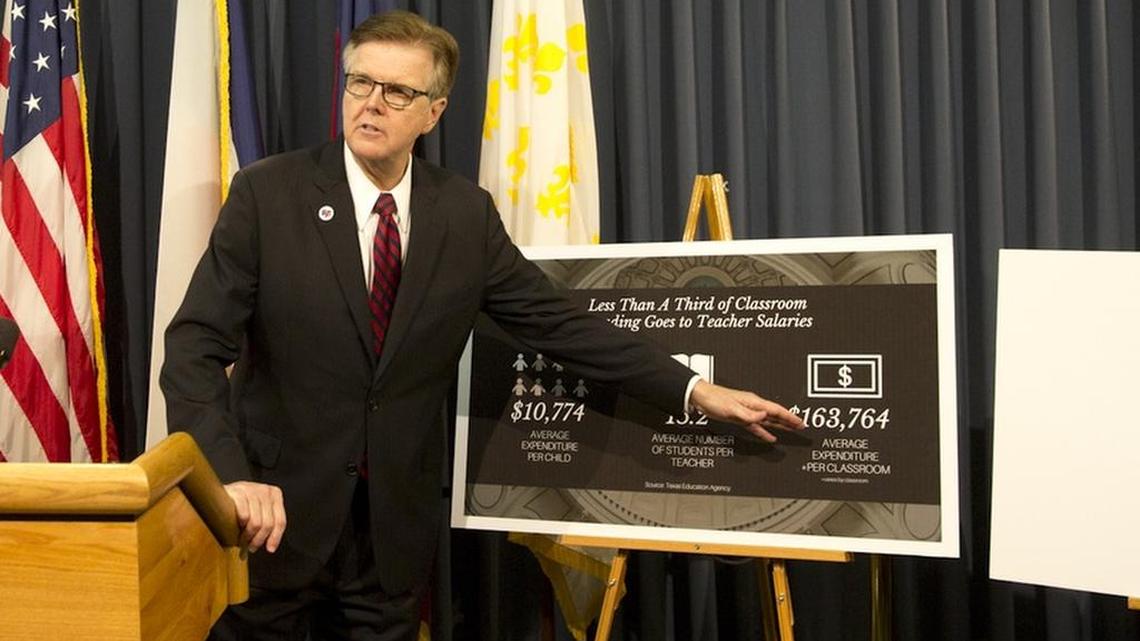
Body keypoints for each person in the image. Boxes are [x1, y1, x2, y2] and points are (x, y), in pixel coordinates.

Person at [161, 10, 803, 641]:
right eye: (359, 83)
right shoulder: (267, 194)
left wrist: (695, 389)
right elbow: (193, 346)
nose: (372, 104)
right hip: (270, 519)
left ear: (434, 112)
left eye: (397, 92)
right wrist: (228, 476)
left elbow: (559, 324)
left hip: (390, 538)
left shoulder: (464, 214)